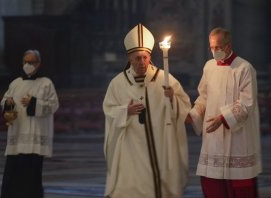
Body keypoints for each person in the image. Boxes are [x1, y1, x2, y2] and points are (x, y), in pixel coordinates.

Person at [103, 23, 191, 198]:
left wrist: (172, 97)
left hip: (160, 145)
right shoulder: (118, 83)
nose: (141, 62)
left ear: (150, 56)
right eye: (137, 58)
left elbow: (185, 107)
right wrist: (125, 111)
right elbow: (109, 109)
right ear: (129, 58)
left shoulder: (164, 79)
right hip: (131, 147)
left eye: (144, 57)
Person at [188, 27, 262, 198]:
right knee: (214, 185)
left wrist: (223, 118)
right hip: (213, 139)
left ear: (228, 46)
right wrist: (193, 115)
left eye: (218, 47)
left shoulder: (244, 68)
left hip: (237, 137)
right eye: (212, 47)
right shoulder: (209, 67)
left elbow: (247, 103)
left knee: (239, 186)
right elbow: (204, 97)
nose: (215, 51)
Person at [0, 49, 59, 198]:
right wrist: (8, 103)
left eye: (31, 62)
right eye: (26, 62)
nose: (28, 65)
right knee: (11, 175)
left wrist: (33, 103)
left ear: (38, 64)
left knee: (31, 177)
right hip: (17, 136)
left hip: (34, 139)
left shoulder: (46, 83)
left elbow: (53, 105)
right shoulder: (15, 83)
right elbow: (4, 102)